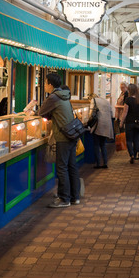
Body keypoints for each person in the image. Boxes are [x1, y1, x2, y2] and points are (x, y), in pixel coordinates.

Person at [39, 73, 80, 208]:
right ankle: (75, 197)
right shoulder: (64, 95)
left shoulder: (53, 97)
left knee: (62, 167)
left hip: (63, 136)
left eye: (45, 83)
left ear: (50, 84)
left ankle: (64, 199)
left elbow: (41, 113)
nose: (44, 86)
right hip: (72, 134)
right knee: (71, 166)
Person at [120, 83, 139, 164]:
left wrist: (121, 122)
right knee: (136, 140)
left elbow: (125, 112)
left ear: (130, 91)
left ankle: (132, 155)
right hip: (138, 123)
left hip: (129, 123)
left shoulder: (128, 100)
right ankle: (135, 154)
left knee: (129, 140)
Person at [89, 94, 114, 168]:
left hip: (98, 125)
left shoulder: (93, 100)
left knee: (96, 145)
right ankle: (105, 163)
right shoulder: (106, 101)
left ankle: (98, 163)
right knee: (103, 145)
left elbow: (91, 113)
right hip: (106, 125)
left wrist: (88, 121)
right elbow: (111, 114)